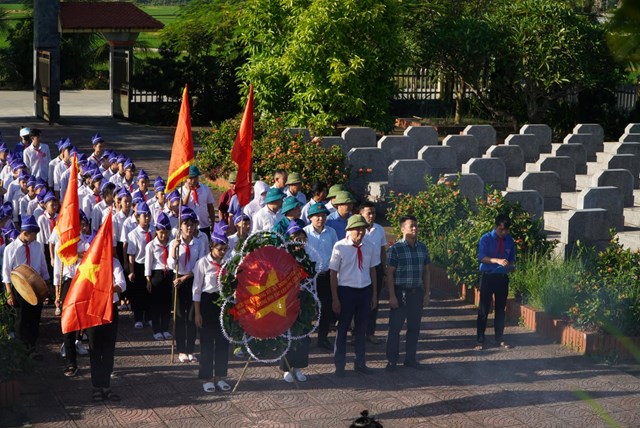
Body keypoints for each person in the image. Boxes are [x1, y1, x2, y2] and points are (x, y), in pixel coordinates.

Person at [329, 214, 377, 377]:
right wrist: (335, 298)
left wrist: (374, 294)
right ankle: (340, 365)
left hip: (364, 290)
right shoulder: (340, 247)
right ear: (349, 230)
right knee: (342, 329)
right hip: (346, 291)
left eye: (363, 229)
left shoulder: (369, 246)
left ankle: (360, 362)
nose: (361, 232)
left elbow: (373, 270)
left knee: (361, 329)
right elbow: (333, 273)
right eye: (357, 229)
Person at [2, 215, 51, 360]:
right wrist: (9, 293)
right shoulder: (11, 249)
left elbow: (42, 266)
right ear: (25, 233)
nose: (35, 238)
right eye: (34, 235)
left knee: (34, 319)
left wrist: (47, 285)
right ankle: (21, 350)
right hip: (19, 288)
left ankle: (32, 348)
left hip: (35, 286)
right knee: (21, 319)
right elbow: (6, 273)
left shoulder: (36, 246)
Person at [385, 215, 430, 371]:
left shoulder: (423, 247)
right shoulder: (395, 248)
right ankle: (392, 360)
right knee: (395, 328)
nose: (414, 228)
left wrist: (427, 293)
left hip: (416, 292)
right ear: (402, 228)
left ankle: (410, 358)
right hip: (400, 292)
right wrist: (391, 296)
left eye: (416, 225)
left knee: (414, 328)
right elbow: (390, 273)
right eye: (411, 226)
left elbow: (426, 271)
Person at [193, 223, 231, 392]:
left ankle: (221, 376)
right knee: (207, 343)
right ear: (211, 247)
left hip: (223, 303)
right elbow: (196, 290)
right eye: (219, 249)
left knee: (223, 342)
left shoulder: (228, 263)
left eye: (225, 249)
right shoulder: (202, 263)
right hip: (207, 303)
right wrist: (197, 313)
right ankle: (207, 377)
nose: (222, 253)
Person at [87, 256, 126, 402]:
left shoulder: (114, 262)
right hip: (93, 308)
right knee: (94, 347)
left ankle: (106, 385)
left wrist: (105, 289)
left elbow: (122, 284)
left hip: (110, 307)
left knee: (109, 348)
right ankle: (96, 386)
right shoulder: (88, 262)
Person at [476, 213, 516, 350]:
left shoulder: (509, 241)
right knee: (484, 308)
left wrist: (510, 266)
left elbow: (511, 259)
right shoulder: (486, 238)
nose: (503, 233)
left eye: (505, 230)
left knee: (500, 309)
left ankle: (499, 337)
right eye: (500, 230)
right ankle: (480, 338)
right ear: (496, 227)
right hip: (488, 276)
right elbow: (482, 257)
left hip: (502, 278)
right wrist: (497, 260)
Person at [168, 207, 203, 363]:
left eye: (192, 224)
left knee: (192, 317)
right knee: (180, 316)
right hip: (178, 281)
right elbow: (171, 264)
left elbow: (200, 265)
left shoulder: (199, 243)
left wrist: (186, 278)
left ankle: (190, 349)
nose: (189, 227)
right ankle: (181, 349)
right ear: (180, 226)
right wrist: (174, 251)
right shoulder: (174, 243)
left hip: (193, 280)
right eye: (186, 224)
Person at [303, 202, 338, 351]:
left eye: (323, 215)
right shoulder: (305, 233)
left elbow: (336, 253)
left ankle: (323, 338)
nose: (320, 219)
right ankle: (304, 337)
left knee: (326, 307)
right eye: (317, 216)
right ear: (310, 217)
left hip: (326, 275)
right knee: (306, 306)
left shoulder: (331, 232)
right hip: (309, 276)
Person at [279, 220, 311, 383]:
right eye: (296, 240)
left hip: (304, 301)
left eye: (302, 240)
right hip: (287, 302)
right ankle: (286, 368)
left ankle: (298, 367)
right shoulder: (283, 258)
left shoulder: (307, 257)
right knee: (288, 335)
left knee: (302, 335)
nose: (299, 244)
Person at [360, 201, 387, 345]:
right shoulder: (356, 230)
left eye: (374, 213)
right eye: (368, 213)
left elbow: (383, 252)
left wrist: (384, 271)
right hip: (360, 268)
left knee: (374, 301)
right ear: (361, 214)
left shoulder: (380, 229)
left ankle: (370, 332)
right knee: (360, 301)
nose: (372, 216)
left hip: (376, 269)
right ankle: (357, 333)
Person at [144, 212, 173, 341]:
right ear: (156, 231)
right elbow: (148, 264)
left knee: (167, 304)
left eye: (166, 232)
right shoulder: (151, 245)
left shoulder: (172, 244)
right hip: (157, 275)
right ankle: (156, 329)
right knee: (156, 304)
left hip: (169, 274)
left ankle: (165, 328)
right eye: (161, 232)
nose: (163, 235)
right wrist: (148, 279)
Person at [126, 201, 155, 329]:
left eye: (148, 215)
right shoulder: (133, 234)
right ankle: (138, 317)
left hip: (152, 265)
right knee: (139, 293)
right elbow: (131, 254)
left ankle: (149, 316)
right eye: (144, 216)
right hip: (139, 265)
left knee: (150, 293)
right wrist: (131, 270)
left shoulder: (154, 231)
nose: (147, 218)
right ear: (138, 217)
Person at [181, 165, 216, 236]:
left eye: (195, 178)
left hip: (204, 225)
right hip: (189, 227)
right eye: (190, 178)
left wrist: (213, 223)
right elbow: (182, 206)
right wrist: (189, 191)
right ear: (186, 179)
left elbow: (210, 207)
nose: (193, 181)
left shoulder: (205, 189)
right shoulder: (181, 191)